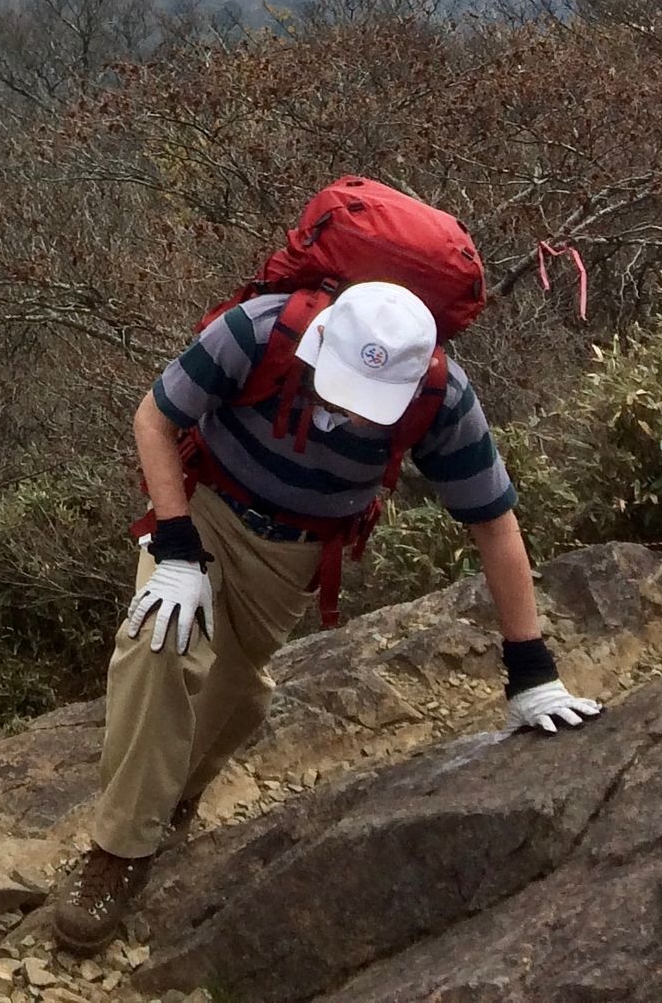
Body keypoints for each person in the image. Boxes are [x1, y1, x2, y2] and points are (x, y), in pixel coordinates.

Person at [52, 277, 601, 954]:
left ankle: (175, 795)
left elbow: (493, 522)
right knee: (160, 638)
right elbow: (155, 418)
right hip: (206, 510)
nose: (356, 417)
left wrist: (531, 667)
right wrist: (174, 544)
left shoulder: (441, 396)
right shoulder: (257, 333)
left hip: (296, 550)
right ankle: (118, 852)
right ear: (317, 348)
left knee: (233, 686)